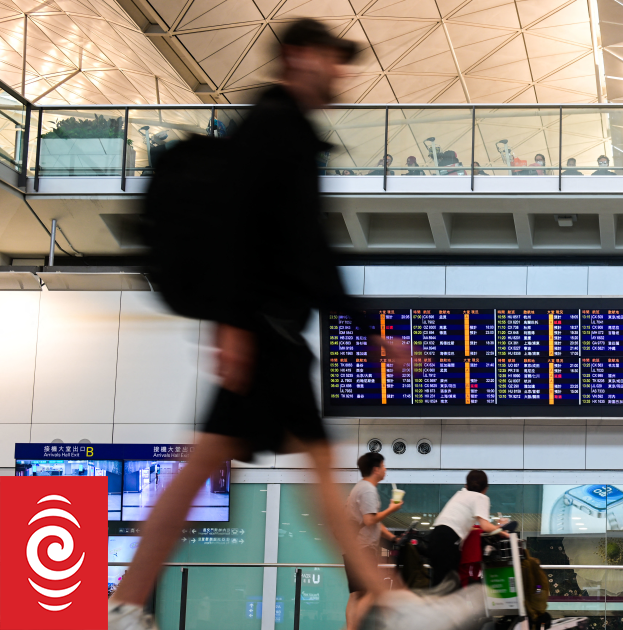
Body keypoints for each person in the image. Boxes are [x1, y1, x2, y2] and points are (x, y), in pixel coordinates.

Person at [108, 19, 412, 630]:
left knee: (236, 466)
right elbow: (245, 230)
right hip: (265, 329)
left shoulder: (281, 129)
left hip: (267, 328)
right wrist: (233, 322)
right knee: (312, 467)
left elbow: (308, 251)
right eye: (333, 58)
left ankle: (127, 603)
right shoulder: (277, 129)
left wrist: (363, 328)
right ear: (298, 56)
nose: (341, 72)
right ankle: (393, 604)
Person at [346, 452, 404, 629]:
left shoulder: (362, 488)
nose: (385, 469)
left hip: (355, 547)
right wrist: (391, 509)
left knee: (357, 594)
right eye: (384, 466)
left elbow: (373, 523)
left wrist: (393, 537)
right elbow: (370, 520)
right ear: (375, 469)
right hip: (362, 548)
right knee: (372, 590)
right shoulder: (367, 490)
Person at [428, 470, 508, 588]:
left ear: (466, 485)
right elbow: (485, 526)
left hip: (435, 537)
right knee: (449, 587)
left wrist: (494, 528)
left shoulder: (461, 494)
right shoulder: (480, 497)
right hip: (449, 540)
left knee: (440, 584)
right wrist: (504, 533)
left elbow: (459, 522)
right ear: (486, 488)